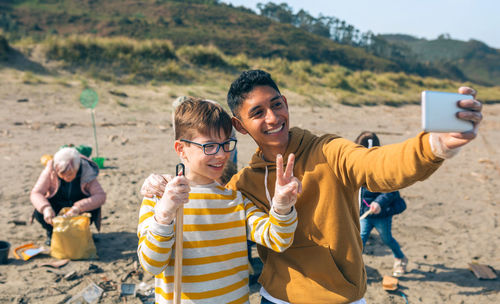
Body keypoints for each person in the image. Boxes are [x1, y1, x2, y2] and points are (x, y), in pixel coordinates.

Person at [143, 70, 482, 303]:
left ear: (286, 103)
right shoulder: (242, 185)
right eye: (258, 112)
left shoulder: (329, 150)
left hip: (341, 297)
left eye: (276, 104)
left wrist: (434, 146)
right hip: (277, 298)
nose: (273, 117)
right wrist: (157, 191)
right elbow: (201, 192)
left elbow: (378, 166)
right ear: (241, 125)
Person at [137, 98, 300, 304]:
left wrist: (282, 207)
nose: (222, 154)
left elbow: (278, 239)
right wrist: (164, 215)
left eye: (226, 144)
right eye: (210, 146)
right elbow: (151, 264)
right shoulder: (158, 198)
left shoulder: (235, 198)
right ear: (181, 149)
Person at [354, 131, 408, 277]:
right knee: (360, 239)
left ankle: (400, 258)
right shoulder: (357, 166)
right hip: (364, 213)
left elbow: (391, 192)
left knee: (386, 238)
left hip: (381, 214)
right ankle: (355, 266)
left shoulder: (385, 168)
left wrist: (379, 203)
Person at [30, 147, 106, 245]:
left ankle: (83, 232)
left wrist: (78, 207)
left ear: (77, 168)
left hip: (79, 210)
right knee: (38, 211)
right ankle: (52, 233)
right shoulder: (50, 170)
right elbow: (36, 193)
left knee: (95, 207)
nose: (66, 177)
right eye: (61, 174)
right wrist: (46, 208)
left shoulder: (87, 171)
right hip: (56, 207)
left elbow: (100, 196)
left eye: (70, 174)